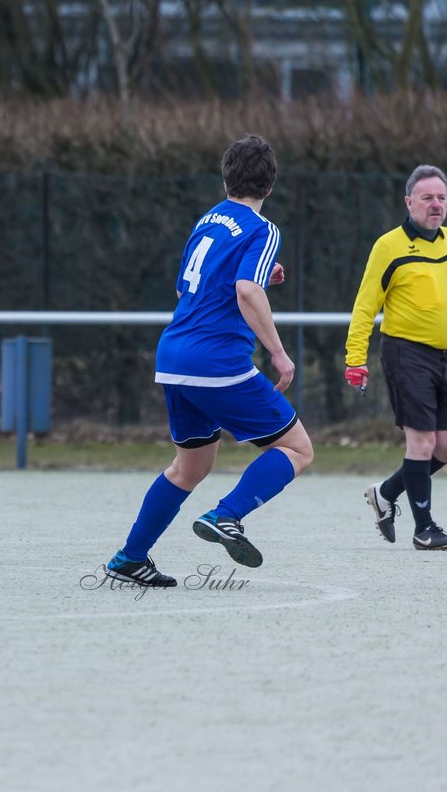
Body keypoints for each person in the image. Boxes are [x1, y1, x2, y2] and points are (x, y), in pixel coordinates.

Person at [102, 134, 314, 587]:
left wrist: (258, 278)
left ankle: (129, 558)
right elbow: (245, 290)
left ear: (225, 180)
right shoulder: (264, 229)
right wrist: (278, 353)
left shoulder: (208, 220)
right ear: (270, 185)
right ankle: (227, 515)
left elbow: (187, 290)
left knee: (190, 466)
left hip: (174, 355)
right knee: (297, 448)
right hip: (216, 361)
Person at [343, 165, 447, 551]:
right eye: (427, 198)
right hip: (406, 354)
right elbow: (365, 305)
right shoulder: (389, 246)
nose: (436, 205)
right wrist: (355, 358)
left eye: (441, 198)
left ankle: (385, 494)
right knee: (421, 442)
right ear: (408, 202)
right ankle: (425, 529)